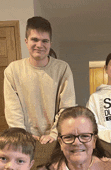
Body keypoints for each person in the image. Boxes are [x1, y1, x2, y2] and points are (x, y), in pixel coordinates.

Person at [4, 16, 76, 145]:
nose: (40, 45)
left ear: (50, 44)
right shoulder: (13, 70)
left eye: (45, 41)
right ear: (26, 41)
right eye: (35, 40)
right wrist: (22, 135)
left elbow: (67, 107)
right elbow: (12, 109)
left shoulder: (63, 68)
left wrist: (54, 134)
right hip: (23, 139)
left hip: (57, 138)